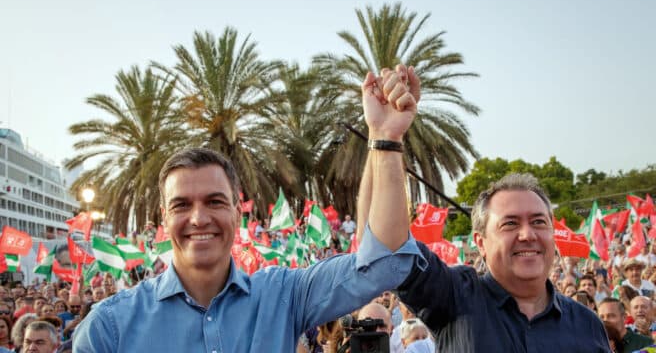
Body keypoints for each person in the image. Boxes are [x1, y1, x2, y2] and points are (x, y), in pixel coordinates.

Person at [73, 65, 425, 352]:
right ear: (164, 219)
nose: (199, 218)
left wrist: (385, 138)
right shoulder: (109, 329)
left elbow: (384, 264)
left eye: (215, 201)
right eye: (182, 205)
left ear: (236, 214)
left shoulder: (283, 296)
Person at [395, 173, 611, 352]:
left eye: (538, 222)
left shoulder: (588, 325)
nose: (528, 234)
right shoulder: (454, 297)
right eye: (510, 224)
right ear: (481, 243)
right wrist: (386, 140)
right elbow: (391, 245)